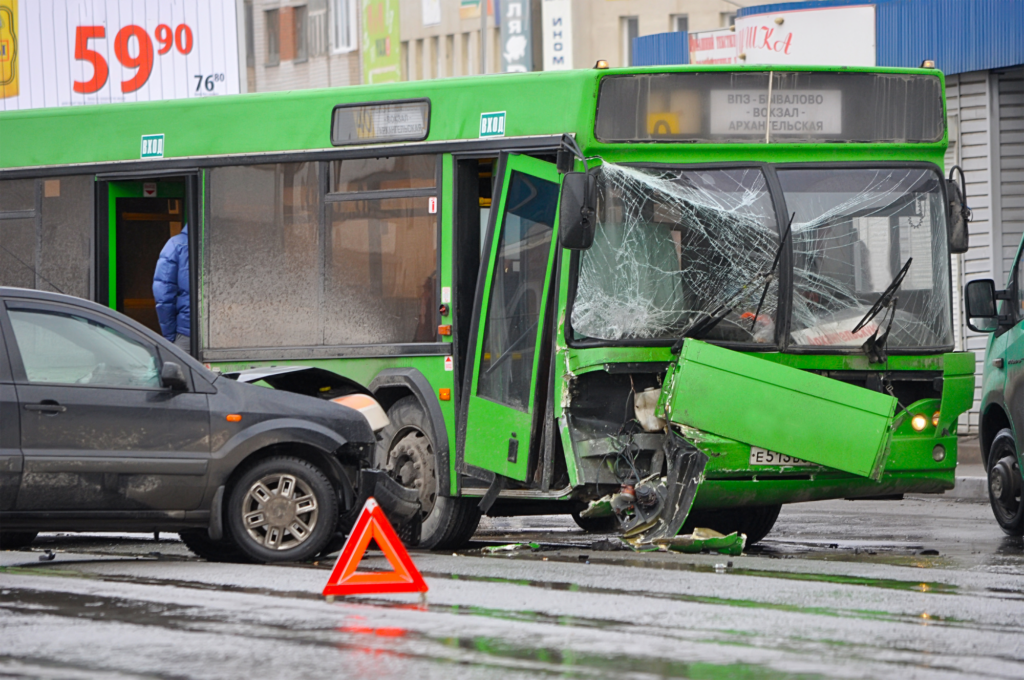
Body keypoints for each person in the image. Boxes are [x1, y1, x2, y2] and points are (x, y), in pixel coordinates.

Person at [153, 224, 190, 352]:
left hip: (187, 330)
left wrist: (170, 337)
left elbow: (164, 295)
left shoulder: (176, 244)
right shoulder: (229, 243)